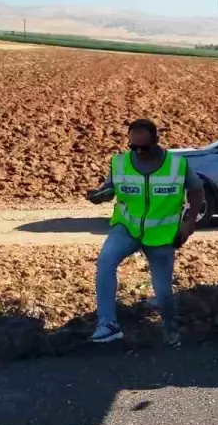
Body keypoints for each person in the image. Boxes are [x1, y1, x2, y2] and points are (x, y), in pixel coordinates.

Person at [86, 118, 204, 346]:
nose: (139, 151)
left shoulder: (177, 165)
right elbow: (110, 190)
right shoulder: (119, 163)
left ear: (157, 141)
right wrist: (100, 195)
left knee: (163, 291)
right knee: (105, 262)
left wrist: (189, 223)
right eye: (134, 146)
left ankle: (171, 332)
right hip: (127, 227)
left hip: (161, 235)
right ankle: (107, 325)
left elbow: (197, 191)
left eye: (144, 146)